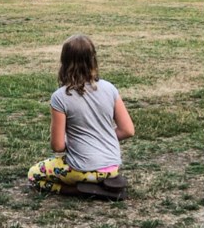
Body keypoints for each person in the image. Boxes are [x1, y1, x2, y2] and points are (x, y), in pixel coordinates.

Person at [28, 35, 135, 196]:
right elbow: (128, 130)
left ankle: (77, 190)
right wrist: (102, 138)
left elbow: (57, 146)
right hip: (111, 169)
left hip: (81, 169)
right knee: (101, 172)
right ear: (93, 60)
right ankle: (103, 186)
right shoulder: (110, 89)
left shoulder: (60, 97)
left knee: (34, 175)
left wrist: (78, 143)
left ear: (64, 62)